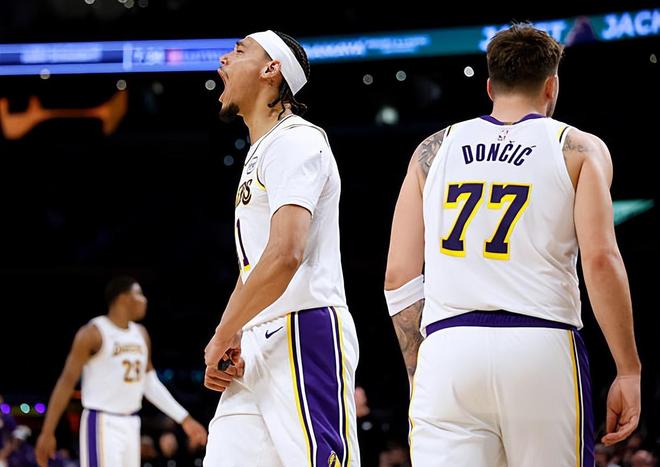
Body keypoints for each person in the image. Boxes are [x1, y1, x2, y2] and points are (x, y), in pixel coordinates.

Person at [384, 23, 641, 466]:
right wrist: (628, 368)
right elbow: (600, 260)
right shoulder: (578, 148)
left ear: (489, 86)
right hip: (540, 344)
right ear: (551, 85)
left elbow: (398, 275)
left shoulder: (433, 149)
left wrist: (419, 369)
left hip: (448, 349)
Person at [203, 30, 360, 466]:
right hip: (258, 341)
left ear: (271, 70)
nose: (223, 59)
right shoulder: (263, 148)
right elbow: (254, 266)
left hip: (302, 328)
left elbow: (285, 253)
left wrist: (222, 333)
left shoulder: (296, 140)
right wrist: (232, 330)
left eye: (238, 51)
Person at [35, 276, 207, 467]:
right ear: (123, 298)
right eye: (139, 294)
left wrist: (184, 418)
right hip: (101, 422)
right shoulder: (93, 333)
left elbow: (150, 384)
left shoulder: (141, 334)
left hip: (131, 422)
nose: (144, 300)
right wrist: (47, 432)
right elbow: (66, 381)